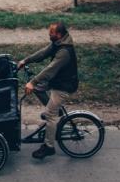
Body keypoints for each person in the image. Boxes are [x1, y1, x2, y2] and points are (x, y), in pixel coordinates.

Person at [16, 22, 78, 160]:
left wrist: (32, 82)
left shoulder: (64, 51)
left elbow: (50, 69)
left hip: (64, 86)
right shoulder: (58, 43)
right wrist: (26, 60)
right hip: (57, 80)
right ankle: (58, 112)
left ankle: (49, 147)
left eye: (52, 33)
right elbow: (43, 53)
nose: (49, 35)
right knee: (38, 89)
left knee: (50, 114)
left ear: (59, 34)